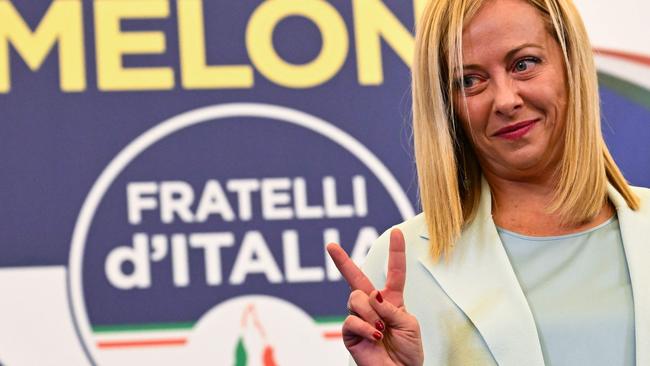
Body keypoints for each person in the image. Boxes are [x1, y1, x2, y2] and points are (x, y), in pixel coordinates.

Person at [327, 0, 650, 365]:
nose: (506, 100)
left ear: (570, 64)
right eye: (469, 81)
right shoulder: (404, 263)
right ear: (446, 105)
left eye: (524, 64)